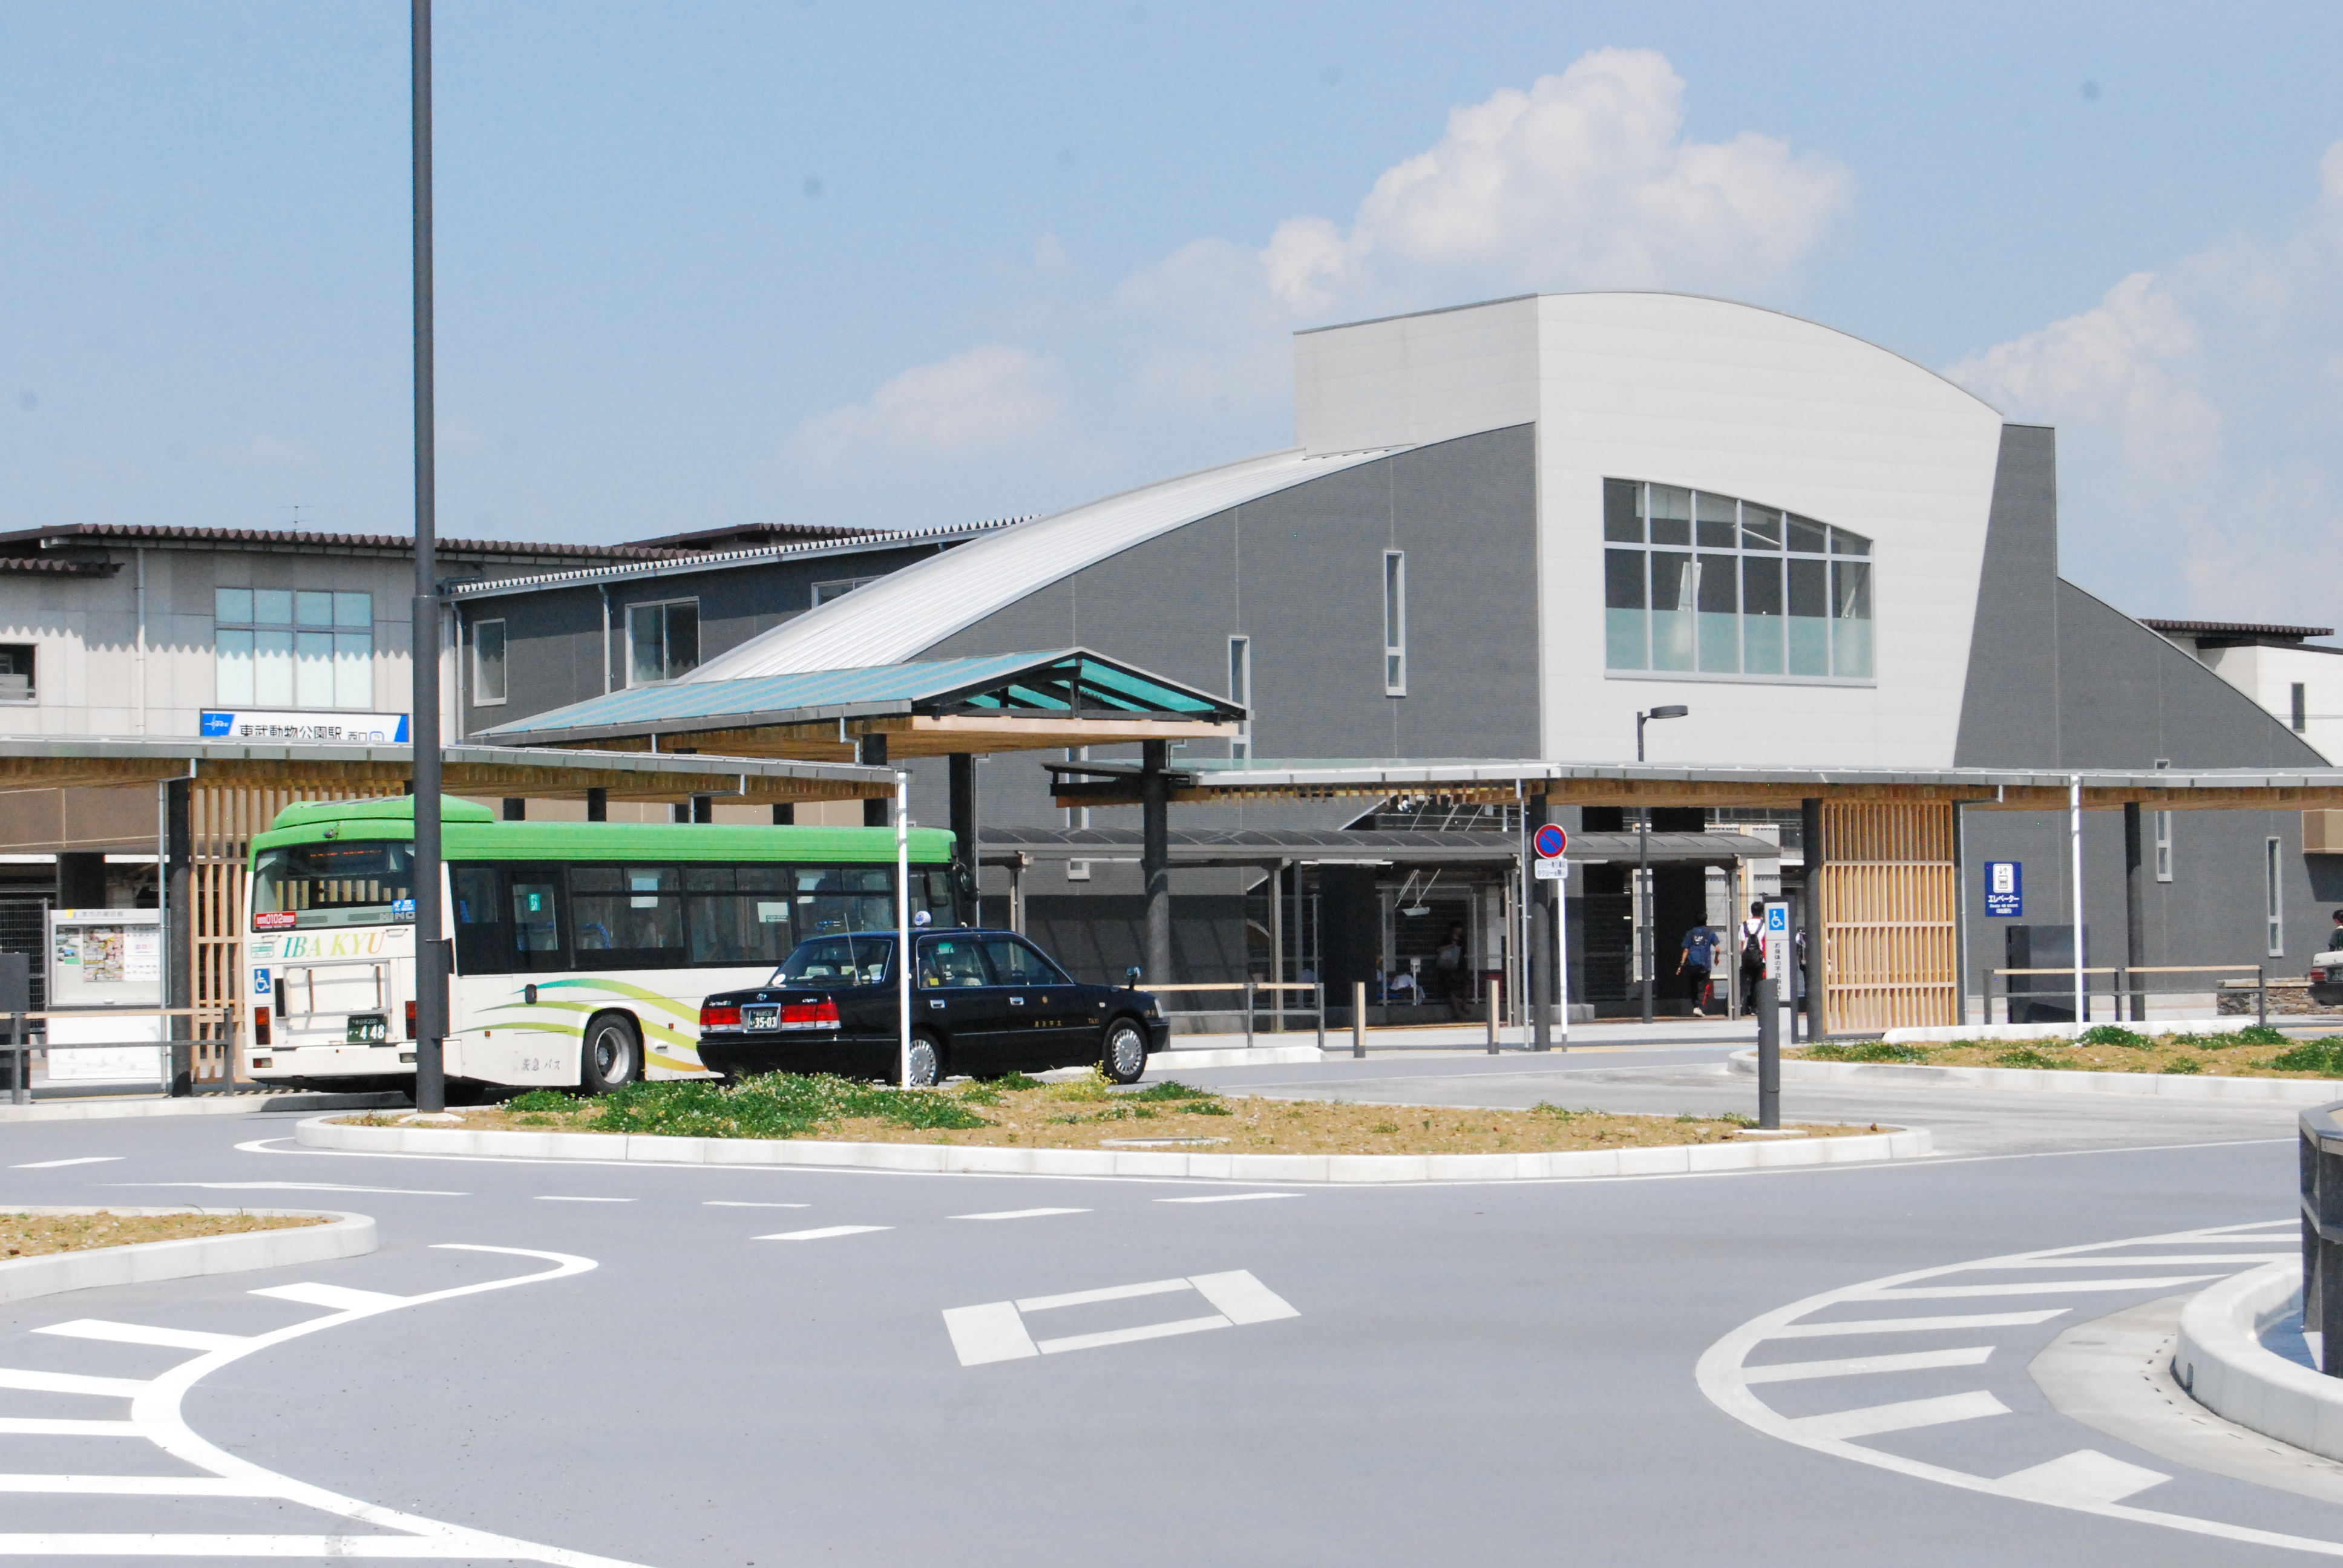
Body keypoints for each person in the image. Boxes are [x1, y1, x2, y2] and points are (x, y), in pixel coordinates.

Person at [1679, 921, 1721, 1017]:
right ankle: (1698, 1007)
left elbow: (1686, 950)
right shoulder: (1710, 932)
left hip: (1692, 964)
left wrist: (1681, 964)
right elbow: (1718, 949)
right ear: (1706, 921)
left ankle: (1695, 1006)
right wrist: (1716, 959)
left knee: (1693, 985)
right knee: (1702, 986)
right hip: (1705, 965)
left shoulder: (1690, 933)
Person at [1737, 902, 1766, 1016]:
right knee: (1758, 983)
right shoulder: (1765, 924)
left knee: (1745, 983)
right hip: (1760, 958)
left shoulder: (1744, 925)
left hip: (1747, 958)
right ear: (1762, 911)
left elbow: (1743, 944)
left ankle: (1743, 1007)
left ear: (1752, 911)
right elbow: (1765, 942)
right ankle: (1755, 1008)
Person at [1435, 922, 1468, 1019]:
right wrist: (1450, 946)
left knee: (1464, 989)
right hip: (1449, 967)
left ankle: (1463, 1004)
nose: (1460, 930)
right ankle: (1457, 1011)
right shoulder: (1447, 939)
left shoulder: (1462, 940)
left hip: (1461, 966)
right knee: (1452, 990)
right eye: (1458, 928)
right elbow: (1438, 949)